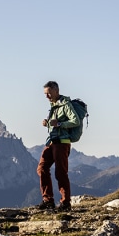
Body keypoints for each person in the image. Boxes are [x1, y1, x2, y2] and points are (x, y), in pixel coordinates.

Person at [36, 81, 80, 211]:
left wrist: (59, 124)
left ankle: (65, 203)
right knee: (42, 168)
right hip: (52, 141)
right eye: (45, 94)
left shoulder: (66, 104)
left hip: (62, 143)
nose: (47, 96)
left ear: (56, 90)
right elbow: (55, 123)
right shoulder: (54, 105)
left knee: (61, 172)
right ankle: (48, 200)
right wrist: (48, 122)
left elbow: (75, 121)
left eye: (49, 93)